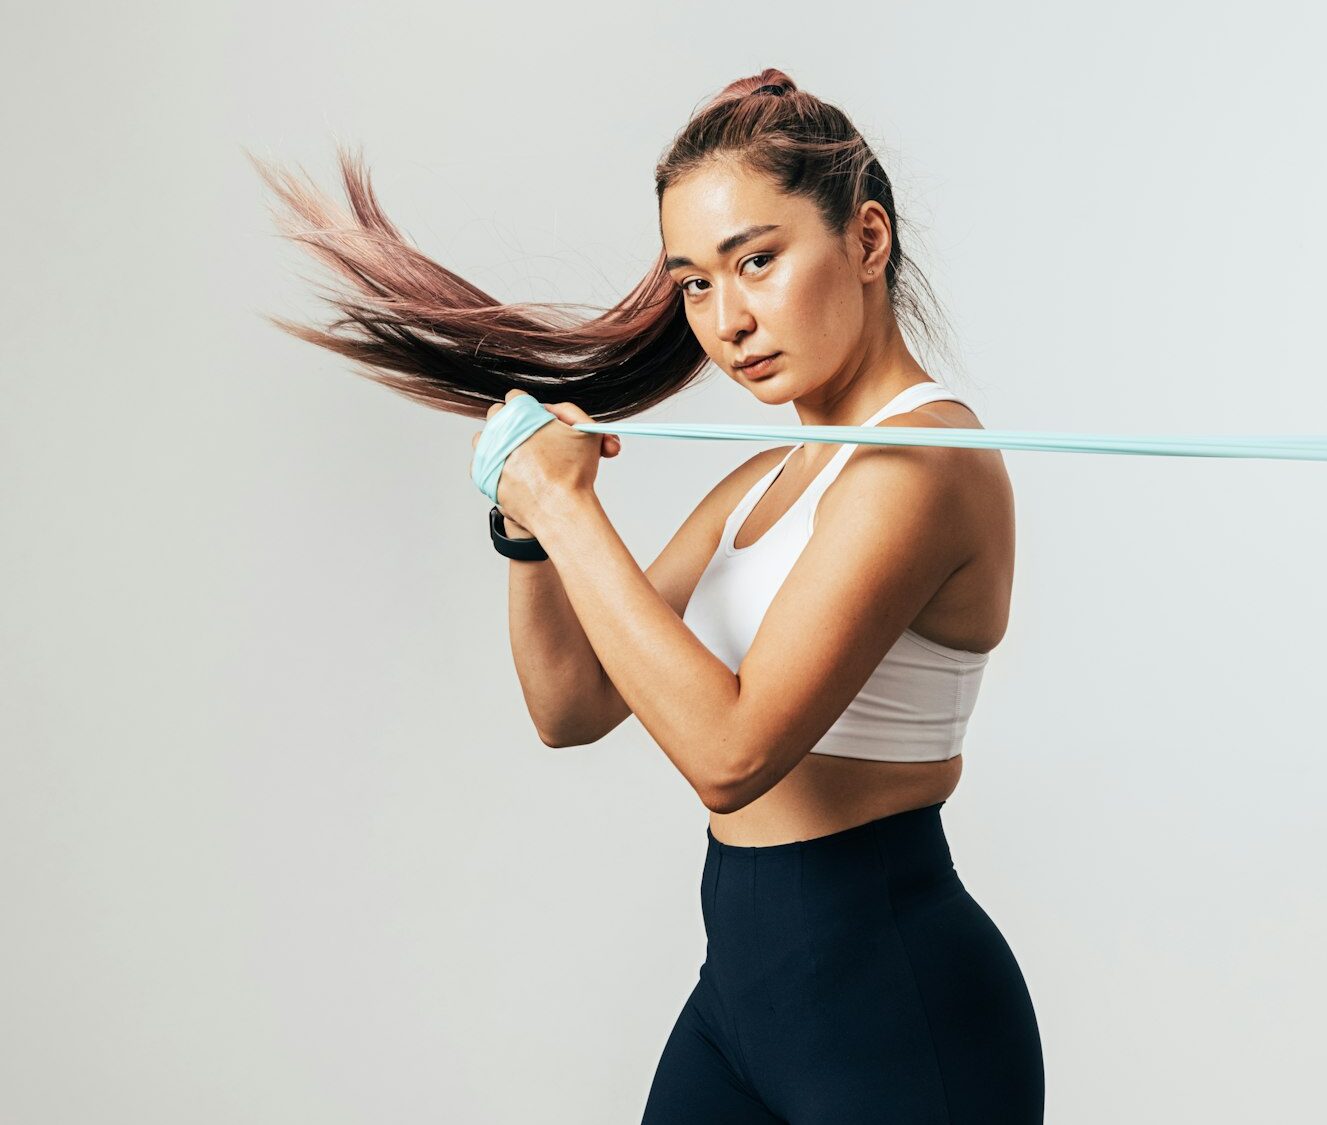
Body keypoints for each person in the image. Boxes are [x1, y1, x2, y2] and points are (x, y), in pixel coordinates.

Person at [253, 68, 1044, 1122]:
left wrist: (572, 509)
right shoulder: (763, 482)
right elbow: (569, 705)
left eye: (755, 261)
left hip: (894, 1015)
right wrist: (527, 529)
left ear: (864, 240)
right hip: (744, 999)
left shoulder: (923, 465)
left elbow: (731, 754)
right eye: (695, 284)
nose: (727, 320)